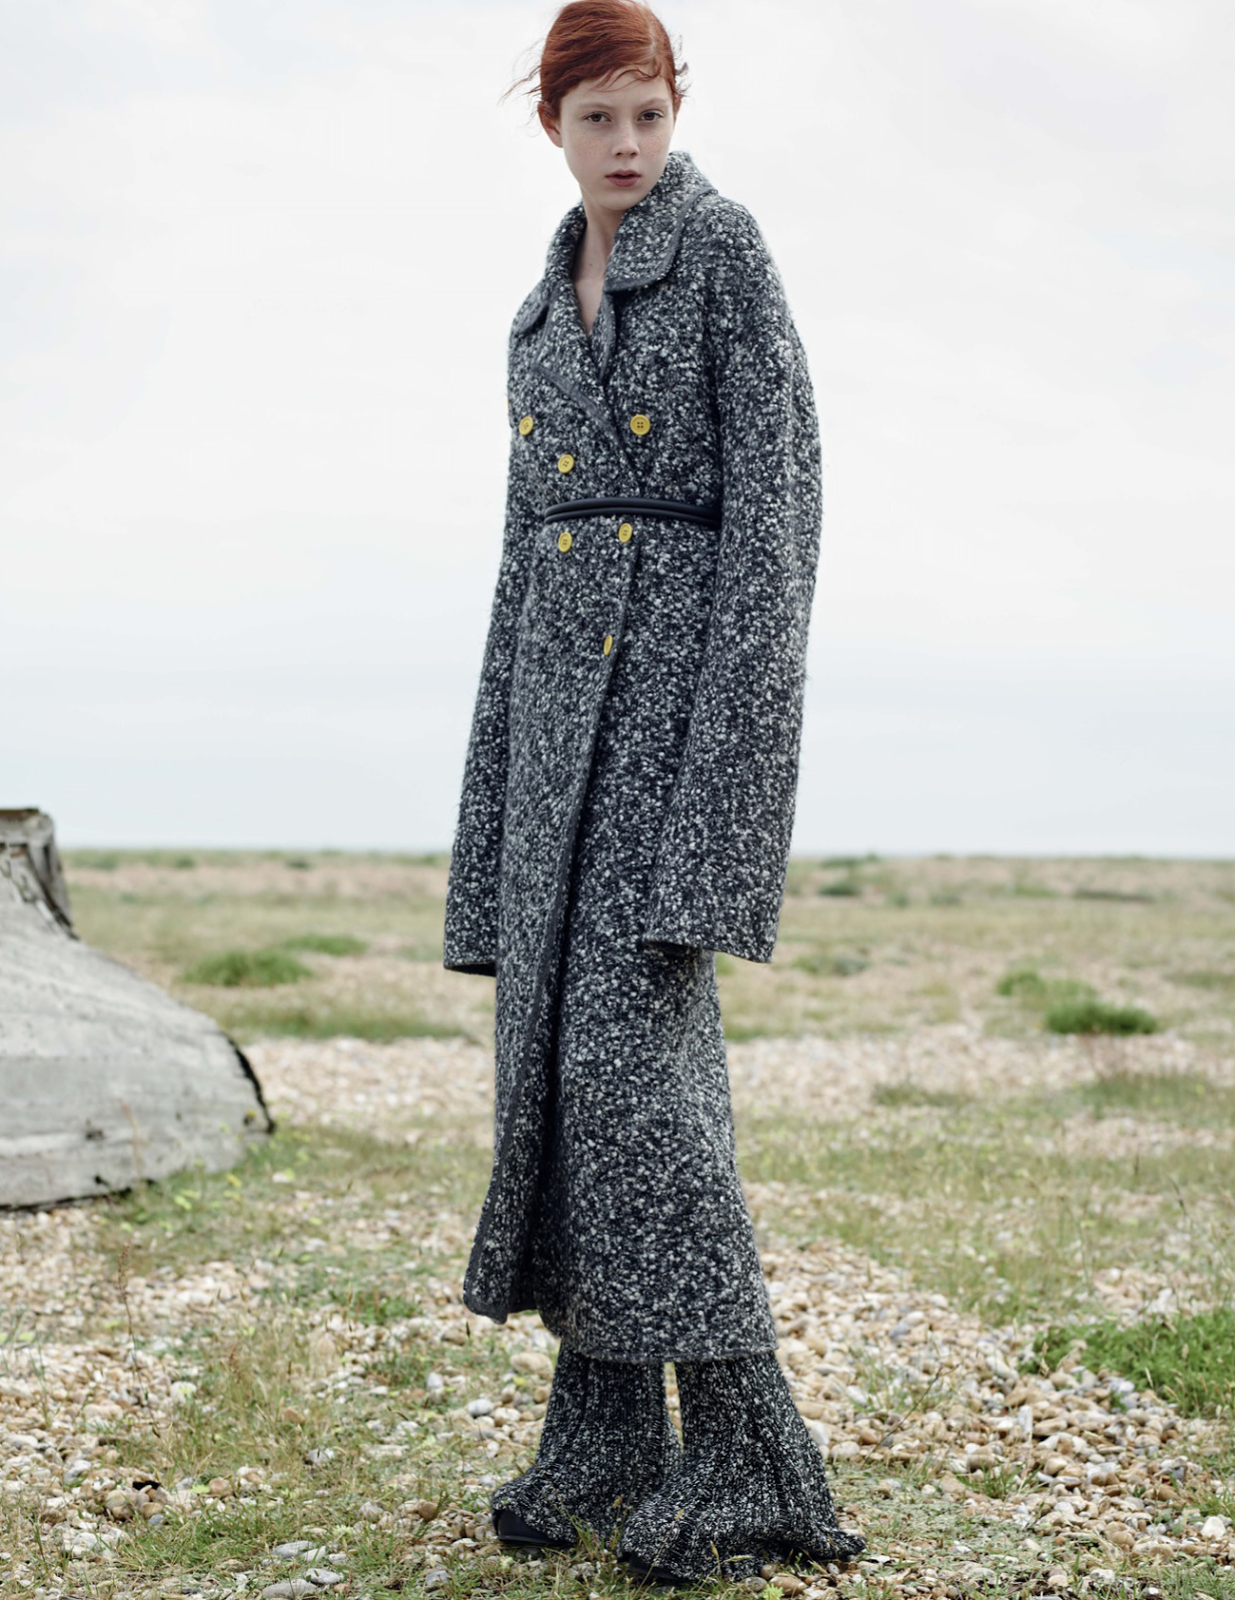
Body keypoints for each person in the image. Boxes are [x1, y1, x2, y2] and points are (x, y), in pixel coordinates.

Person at [442, 0, 866, 1584]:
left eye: (648, 113)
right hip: (552, 742)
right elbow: (515, 571)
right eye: (596, 119)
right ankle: (605, 1443)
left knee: (643, 1098)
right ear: (550, 125)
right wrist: (488, 821)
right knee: (559, 1089)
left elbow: (780, 523)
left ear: (674, 111)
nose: (626, 145)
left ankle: (754, 1461)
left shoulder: (727, 252)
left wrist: (727, 810)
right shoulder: (532, 319)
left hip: (678, 729)